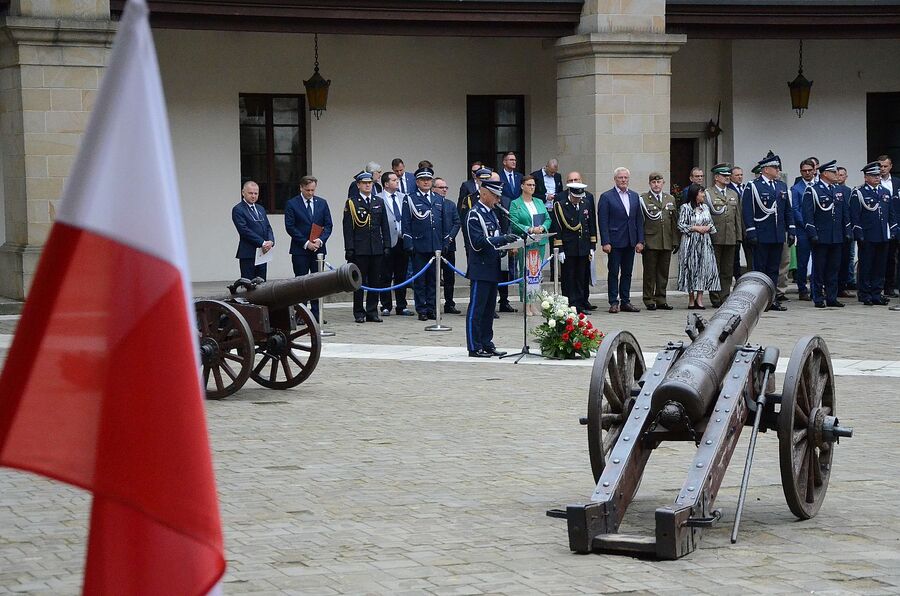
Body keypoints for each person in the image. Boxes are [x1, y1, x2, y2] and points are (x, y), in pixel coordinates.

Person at [465, 179, 517, 358]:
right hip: (480, 268)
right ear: (484, 194)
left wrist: (505, 245)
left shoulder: (493, 214)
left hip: (493, 267)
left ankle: (487, 343)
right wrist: (503, 240)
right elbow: (477, 243)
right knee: (477, 310)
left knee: (489, 310)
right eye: (494, 196)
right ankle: (474, 346)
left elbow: (495, 236)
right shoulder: (475, 214)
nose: (497, 199)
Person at [742, 151, 795, 311]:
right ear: (765, 169)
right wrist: (751, 231)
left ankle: (771, 300)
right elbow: (748, 211)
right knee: (760, 269)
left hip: (777, 234)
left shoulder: (781, 186)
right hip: (761, 233)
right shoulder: (754, 186)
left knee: (774, 269)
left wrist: (790, 229)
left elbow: (787, 210)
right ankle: (759, 301)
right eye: (774, 167)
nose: (778, 170)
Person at [343, 171, 392, 323]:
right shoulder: (352, 202)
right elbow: (347, 228)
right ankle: (359, 312)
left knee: (375, 281)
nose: (367, 185)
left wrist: (387, 245)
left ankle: (372, 311)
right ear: (358, 185)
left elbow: (385, 225)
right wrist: (349, 248)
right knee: (359, 282)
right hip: (360, 249)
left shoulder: (378, 201)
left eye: (370, 183)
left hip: (376, 248)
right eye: (364, 183)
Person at [801, 160, 851, 308]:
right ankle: (817, 297)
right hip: (821, 235)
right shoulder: (813, 190)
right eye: (833, 172)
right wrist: (812, 233)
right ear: (824, 174)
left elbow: (844, 214)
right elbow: (808, 215)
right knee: (819, 268)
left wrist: (847, 231)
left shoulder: (838, 190)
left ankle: (832, 297)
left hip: (836, 235)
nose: (836, 175)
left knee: (834, 268)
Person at [284, 175, 333, 317]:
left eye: (313, 190)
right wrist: (306, 243)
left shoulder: (322, 203)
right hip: (300, 250)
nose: (310, 193)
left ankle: (317, 314)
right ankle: (301, 314)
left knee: (318, 283)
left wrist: (320, 241)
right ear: (301, 188)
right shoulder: (292, 204)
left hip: (318, 249)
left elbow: (328, 225)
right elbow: (290, 227)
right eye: (307, 190)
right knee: (301, 282)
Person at [402, 166, 446, 321]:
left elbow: (442, 223)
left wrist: (444, 242)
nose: (426, 182)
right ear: (417, 182)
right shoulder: (410, 199)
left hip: (435, 245)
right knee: (420, 280)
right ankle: (422, 309)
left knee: (434, 280)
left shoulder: (438, 199)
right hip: (419, 244)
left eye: (428, 179)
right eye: (423, 180)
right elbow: (406, 223)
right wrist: (408, 243)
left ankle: (432, 308)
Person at [598, 167, 644, 313]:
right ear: (615, 179)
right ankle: (613, 301)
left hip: (630, 240)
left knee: (627, 272)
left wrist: (640, 241)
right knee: (613, 272)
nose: (623, 180)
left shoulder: (635, 196)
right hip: (614, 241)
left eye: (625, 178)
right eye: (620, 178)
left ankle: (626, 301)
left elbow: (638, 220)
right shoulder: (607, 197)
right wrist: (605, 241)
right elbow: (603, 221)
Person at [851, 162, 894, 306]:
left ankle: (876, 293)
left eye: (878, 175)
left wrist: (893, 229)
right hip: (867, 235)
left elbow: (891, 214)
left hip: (882, 234)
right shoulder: (859, 193)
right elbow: (855, 216)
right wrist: (858, 233)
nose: (877, 178)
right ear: (866, 177)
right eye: (873, 175)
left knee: (880, 266)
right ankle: (864, 293)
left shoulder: (885, 192)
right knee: (866, 265)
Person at [639, 172, 678, 311]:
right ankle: (649, 299)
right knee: (649, 273)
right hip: (650, 240)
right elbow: (640, 221)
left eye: (659, 182)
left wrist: (675, 240)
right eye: (654, 182)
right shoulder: (644, 199)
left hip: (666, 240)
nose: (656, 185)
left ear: (663, 183)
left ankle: (661, 298)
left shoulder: (670, 198)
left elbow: (673, 221)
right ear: (650, 184)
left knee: (663, 272)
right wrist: (641, 241)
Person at [509, 175, 550, 306]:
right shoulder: (516, 203)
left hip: (539, 241)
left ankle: (534, 303)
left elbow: (548, 219)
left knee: (536, 273)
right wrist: (530, 229)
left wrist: (543, 227)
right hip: (526, 241)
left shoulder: (538, 201)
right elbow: (514, 223)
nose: (531, 187)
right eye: (529, 185)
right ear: (522, 186)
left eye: (533, 185)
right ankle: (527, 304)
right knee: (526, 271)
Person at [377, 171, 414, 316]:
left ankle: (401, 305)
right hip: (386, 241)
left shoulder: (404, 197)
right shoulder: (378, 198)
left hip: (402, 240)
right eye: (393, 180)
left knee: (401, 274)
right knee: (385, 275)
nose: (397, 182)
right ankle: (386, 305)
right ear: (386, 184)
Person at [677, 184, 720, 309]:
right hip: (690, 242)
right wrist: (696, 228)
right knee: (690, 268)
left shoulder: (705, 207)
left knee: (703, 269)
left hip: (704, 243)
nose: (704, 195)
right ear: (695, 194)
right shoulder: (685, 208)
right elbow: (681, 225)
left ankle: (700, 298)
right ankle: (691, 298)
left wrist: (707, 228)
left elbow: (711, 224)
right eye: (701, 193)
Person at [707, 164, 743, 307]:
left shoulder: (733, 194)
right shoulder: (708, 194)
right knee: (715, 268)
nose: (727, 178)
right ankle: (715, 297)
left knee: (727, 269)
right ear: (716, 177)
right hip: (715, 237)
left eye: (728, 175)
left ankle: (725, 296)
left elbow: (737, 218)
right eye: (724, 176)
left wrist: (739, 236)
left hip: (730, 237)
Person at [232, 180, 274, 280]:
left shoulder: (260, 209)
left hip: (262, 253)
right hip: (248, 253)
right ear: (243, 192)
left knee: (262, 283)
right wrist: (262, 242)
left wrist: (271, 241)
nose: (253, 196)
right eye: (250, 193)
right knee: (248, 284)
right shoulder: (238, 209)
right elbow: (244, 230)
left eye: (256, 193)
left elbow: (268, 227)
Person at [433, 177, 461, 314]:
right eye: (441, 187)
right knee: (433, 276)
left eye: (446, 187)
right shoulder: (431, 203)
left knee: (450, 277)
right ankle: (432, 304)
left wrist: (450, 237)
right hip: (434, 246)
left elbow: (457, 222)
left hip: (449, 245)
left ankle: (449, 303)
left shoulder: (450, 204)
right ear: (434, 189)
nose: (444, 190)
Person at [790, 158, 817, 301]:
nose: (807, 173)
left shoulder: (818, 186)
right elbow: (795, 209)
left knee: (818, 261)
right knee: (803, 261)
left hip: (818, 229)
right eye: (804, 171)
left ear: (814, 170)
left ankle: (816, 288)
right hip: (803, 230)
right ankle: (802, 288)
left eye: (809, 170)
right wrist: (807, 224)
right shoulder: (796, 188)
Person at [498, 151, 522, 313]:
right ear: (504, 162)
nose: (514, 162)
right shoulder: (498, 177)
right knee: (501, 266)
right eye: (510, 160)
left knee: (512, 257)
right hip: (501, 215)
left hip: (515, 217)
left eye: (515, 159)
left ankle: (505, 299)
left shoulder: (520, 177)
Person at [878, 155, 900, 297]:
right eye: (880, 166)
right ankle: (877, 286)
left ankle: (889, 286)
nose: (883, 169)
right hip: (879, 224)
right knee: (879, 257)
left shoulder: (897, 182)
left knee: (892, 257)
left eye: (885, 166)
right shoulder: (875, 182)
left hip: (894, 224)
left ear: (891, 166)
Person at [835, 166, 856, 297]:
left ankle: (843, 286)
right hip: (835, 231)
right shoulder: (832, 190)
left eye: (842, 175)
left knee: (846, 259)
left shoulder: (850, 191)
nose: (839, 177)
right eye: (837, 174)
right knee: (834, 261)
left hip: (847, 230)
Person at [729, 165, 752, 273]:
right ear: (731, 176)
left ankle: (751, 273)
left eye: (741, 175)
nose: (740, 177)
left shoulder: (746, 188)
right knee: (735, 255)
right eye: (737, 175)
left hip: (747, 226)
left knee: (750, 253)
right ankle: (737, 276)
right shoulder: (728, 189)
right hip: (735, 226)